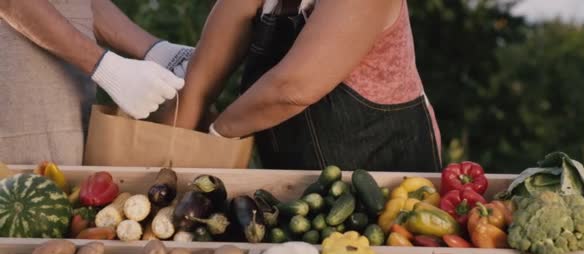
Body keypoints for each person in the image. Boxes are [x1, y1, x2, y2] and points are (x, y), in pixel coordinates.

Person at [172, 0, 442, 172]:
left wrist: (214, 137)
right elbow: (199, 84)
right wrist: (168, 155)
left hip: (388, 179)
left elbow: (292, 89)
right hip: (295, 191)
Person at [0, 0, 193, 165]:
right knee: (24, 195)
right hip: (21, 79)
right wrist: (107, 67)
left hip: (71, 83)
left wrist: (155, 50)